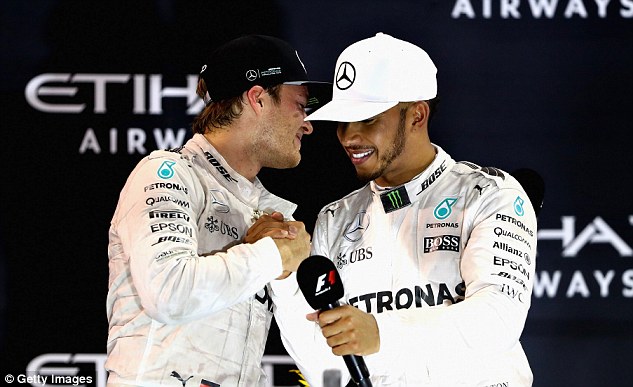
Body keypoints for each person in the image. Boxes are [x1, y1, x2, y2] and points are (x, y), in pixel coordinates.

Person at [271, 33, 538, 386]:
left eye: (367, 119)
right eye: (343, 120)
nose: (348, 136)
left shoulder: (490, 193)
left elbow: (497, 319)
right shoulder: (335, 220)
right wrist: (284, 279)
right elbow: (326, 370)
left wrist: (381, 333)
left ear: (417, 115)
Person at [106, 34, 329, 387]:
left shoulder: (273, 214)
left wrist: (286, 275)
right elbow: (169, 294)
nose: (307, 123)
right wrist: (271, 255)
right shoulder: (169, 173)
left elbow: (317, 360)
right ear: (257, 98)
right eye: (300, 105)